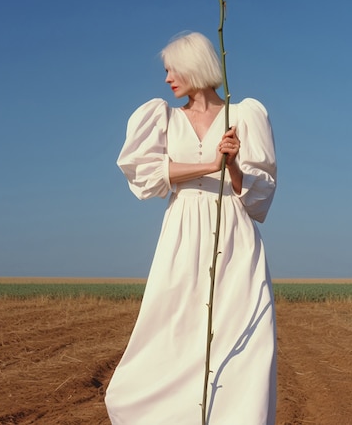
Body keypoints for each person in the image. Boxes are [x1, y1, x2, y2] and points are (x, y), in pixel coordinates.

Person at [105, 32, 277, 425]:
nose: (167, 79)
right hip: (182, 238)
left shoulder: (244, 115)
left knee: (241, 340)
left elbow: (259, 196)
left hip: (233, 235)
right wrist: (208, 165)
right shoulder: (162, 117)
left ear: (195, 66)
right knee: (171, 332)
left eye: (172, 69)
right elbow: (147, 177)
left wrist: (232, 164)